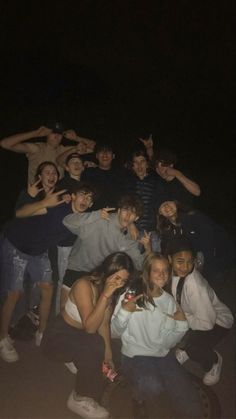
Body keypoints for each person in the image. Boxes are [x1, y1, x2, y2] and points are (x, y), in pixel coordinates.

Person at [0, 183, 96, 362]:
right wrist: (44, 202)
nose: (86, 200)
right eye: (83, 195)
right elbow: (20, 213)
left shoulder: (80, 222)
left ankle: (42, 333)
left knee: (48, 288)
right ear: (73, 196)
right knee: (13, 293)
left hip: (38, 251)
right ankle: (2, 338)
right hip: (16, 244)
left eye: (90, 199)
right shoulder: (58, 206)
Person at [41, 252, 135, 419]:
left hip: (80, 336)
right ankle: (79, 398)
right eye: (116, 277)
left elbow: (104, 325)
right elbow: (91, 328)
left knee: (114, 349)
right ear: (106, 271)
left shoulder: (111, 291)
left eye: (123, 280)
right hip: (57, 338)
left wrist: (109, 356)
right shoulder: (83, 285)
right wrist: (105, 295)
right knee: (93, 346)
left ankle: (82, 363)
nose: (118, 283)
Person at [111, 252, 203, 419]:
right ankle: (138, 397)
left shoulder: (169, 301)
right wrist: (124, 312)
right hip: (134, 355)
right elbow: (114, 333)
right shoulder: (131, 295)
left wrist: (181, 326)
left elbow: (167, 343)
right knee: (152, 386)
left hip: (162, 355)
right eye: (156, 270)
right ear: (147, 272)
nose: (162, 275)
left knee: (188, 398)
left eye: (165, 271)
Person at [61, 193, 151, 308]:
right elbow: (67, 221)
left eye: (132, 213)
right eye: (125, 210)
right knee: (65, 313)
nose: (127, 216)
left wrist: (148, 248)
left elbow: (140, 265)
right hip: (77, 270)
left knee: (89, 319)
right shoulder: (101, 220)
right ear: (118, 211)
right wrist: (95, 215)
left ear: (136, 218)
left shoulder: (130, 237)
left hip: (99, 278)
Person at [168, 237, 234, 386]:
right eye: (180, 261)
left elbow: (207, 324)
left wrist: (180, 318)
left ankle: (214, 361)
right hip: (194, 315)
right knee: (174, 328)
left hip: (217, 321)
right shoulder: (172, 273)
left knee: (195, 348)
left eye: (190, 261)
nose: (185, 267)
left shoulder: (196, 288)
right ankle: (187, 347)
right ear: (170, 260)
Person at [156, 197, 236, 292]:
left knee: (209, 290)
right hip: (204, 261)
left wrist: (204, 274)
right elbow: (167, 248)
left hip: (220, 256)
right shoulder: (167, 228)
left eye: (168, 202)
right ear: (160, 212)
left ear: (176, 203)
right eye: (162, 205)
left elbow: (209, 243)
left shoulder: (193, 216)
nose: (166, 206)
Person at [0, 123, 95, 182]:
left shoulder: (65, 150)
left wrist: (76, 138)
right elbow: (5, 144)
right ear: (46, 135)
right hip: (36, 194)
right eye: (53, 133)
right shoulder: (36, 148)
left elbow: (97, 149)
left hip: (57, 195)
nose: (56, 136)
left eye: (59, 134)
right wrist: (34, 133)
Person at [124, 148, 164, 251]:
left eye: (142, 161)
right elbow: (124, 204)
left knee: (153, 263)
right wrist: (130, 223)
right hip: (131, 229)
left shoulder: (156, 181)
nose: (139, 165)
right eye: (136, 162)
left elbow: (161, 204)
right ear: (132, 166)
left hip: (152, 232)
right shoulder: (126, 182)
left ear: (147, 164)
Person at [80, 143, 125, 209]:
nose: (105, 154)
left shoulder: (121, 175)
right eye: (101, 151)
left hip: (114, 215)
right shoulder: (88, 173)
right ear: (97, 156)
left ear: (113, 156)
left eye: (108, 151)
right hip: (92, 215)